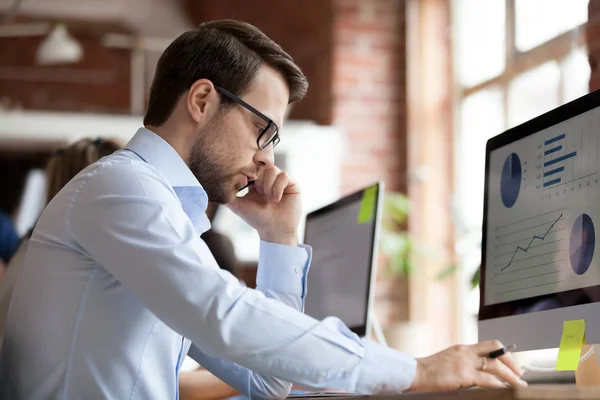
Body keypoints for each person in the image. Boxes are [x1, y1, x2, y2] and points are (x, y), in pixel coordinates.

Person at [0, 20, 526, 399]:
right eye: (263, 131)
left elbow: (266, 382)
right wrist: (413, 370)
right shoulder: (120, 188)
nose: (267, 160)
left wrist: (278, 240)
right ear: (202, 101)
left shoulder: (157, 209)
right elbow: (226, 317)